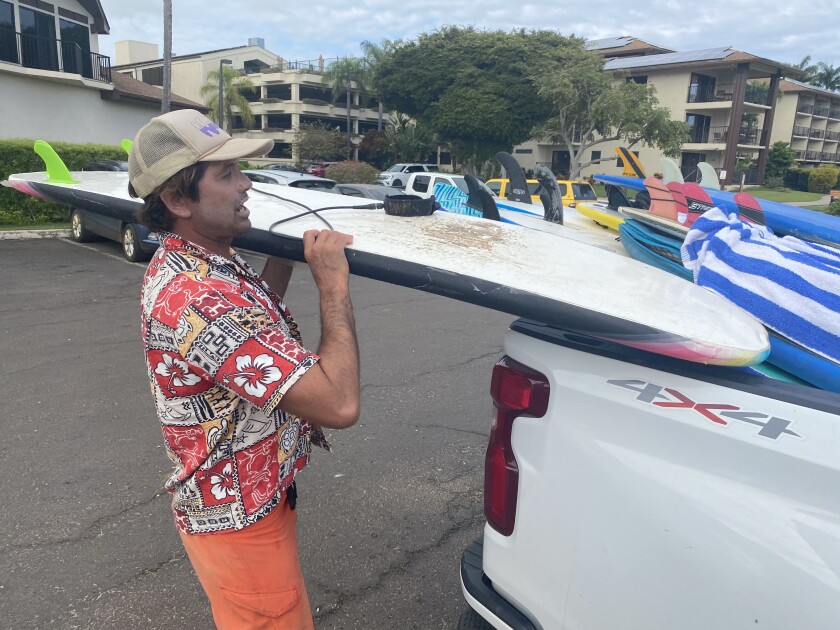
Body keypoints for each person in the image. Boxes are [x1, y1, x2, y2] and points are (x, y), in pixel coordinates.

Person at [128, 109, 360, 629]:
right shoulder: (199, 297)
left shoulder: (200, 260)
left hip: (251, 497)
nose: (247, 183)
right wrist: (333, 285)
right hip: (235, 518)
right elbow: (338, 404)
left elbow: (244, 346)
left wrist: (283, 259)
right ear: (177, 199)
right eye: (227, 174)